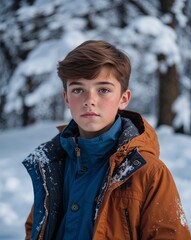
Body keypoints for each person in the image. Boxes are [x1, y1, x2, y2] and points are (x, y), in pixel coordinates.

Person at [23, 40, 191, 240]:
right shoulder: (51, 165)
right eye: (78, 90)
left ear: (124, 98)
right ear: (66, 98)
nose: (89, 100)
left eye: (103, 90)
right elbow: (34, 231)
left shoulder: (148, 172)